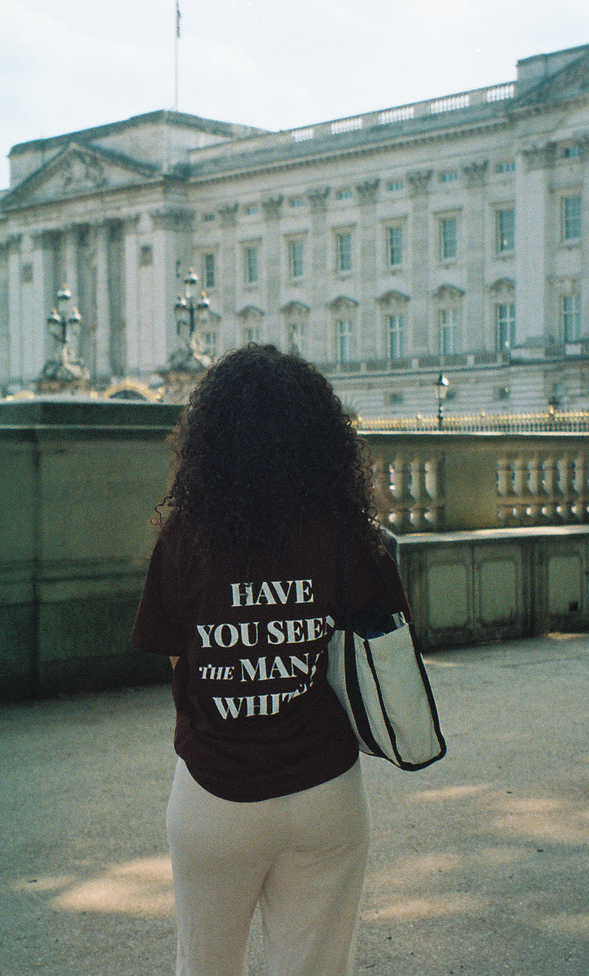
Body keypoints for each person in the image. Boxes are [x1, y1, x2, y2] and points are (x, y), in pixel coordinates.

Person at [131, 344, 404, 976]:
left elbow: (181, 664)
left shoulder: (186, 537)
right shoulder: (349, 535)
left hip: (214, 788)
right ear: (320, 437)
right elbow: (379, 649)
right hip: (325, 786)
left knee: (205, 967)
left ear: (211, 440)